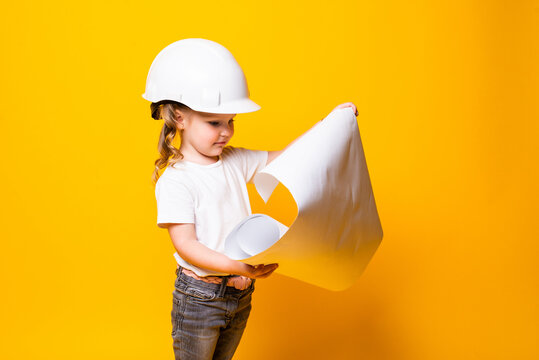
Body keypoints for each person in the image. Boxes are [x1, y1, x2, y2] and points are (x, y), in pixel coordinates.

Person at [143, 38, 358, 360]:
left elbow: (287, 159)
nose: (226, 131)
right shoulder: (177, 180)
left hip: (240, 294)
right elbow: (186, 245)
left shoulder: (234, 160)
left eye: (230, 121)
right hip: (200, 297)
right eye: (214, 122)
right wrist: (238, 266)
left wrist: (329, 125)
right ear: (179, 118)